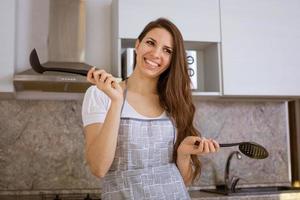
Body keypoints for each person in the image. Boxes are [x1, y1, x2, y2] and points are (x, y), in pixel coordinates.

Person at [82, 18, 220, 200]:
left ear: (172, 60)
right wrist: (116, 102)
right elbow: (99, 168)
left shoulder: (175, 102)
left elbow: (183, 181)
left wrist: (183, 154)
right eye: (150, 43)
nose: (156, 54)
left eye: (167, 50)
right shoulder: (101, 94)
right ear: (138, 45)